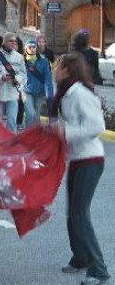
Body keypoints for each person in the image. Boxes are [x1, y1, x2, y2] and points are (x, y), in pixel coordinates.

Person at [49, 53, 110, 285]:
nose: (55, 69)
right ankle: (81, 257)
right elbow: (71, 124)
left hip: (90, 159)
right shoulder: (65, 93)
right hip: (78, 159)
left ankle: (99, 269)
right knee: (73, 214)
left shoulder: (80, 94)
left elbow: (96, 126)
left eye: (58, 66)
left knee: (80, 215)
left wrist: (65, 132)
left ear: (67, 70)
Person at [0, 32, 27, 132]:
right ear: (5, 42)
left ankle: (11, 143)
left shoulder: (19, 57)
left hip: (12, 94)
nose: (14, 43)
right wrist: (0, 77)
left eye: (15, 41)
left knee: (12, 120)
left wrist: (18, 79)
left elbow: (23, 74)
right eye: (11, 41)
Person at [22, 40, 53, 127]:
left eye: (34, 47)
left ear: (37, 48)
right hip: (26, 91)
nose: (32, 49)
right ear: (26, 49)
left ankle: (34, 135)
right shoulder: (22, 61)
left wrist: (49, 94)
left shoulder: (44, 61)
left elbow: (48, 78)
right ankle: (27, 134)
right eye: (29, 47)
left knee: (36, 115)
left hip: (40, 92)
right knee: (30, 113)